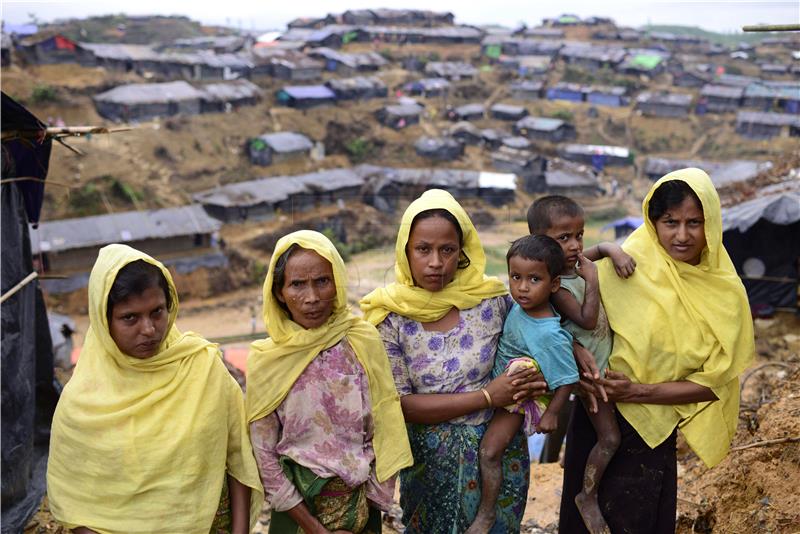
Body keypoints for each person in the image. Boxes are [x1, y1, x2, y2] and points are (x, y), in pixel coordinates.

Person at [559, 168, 755, 533]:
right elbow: (552, 304)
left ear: (710, 222)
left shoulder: (726, 293)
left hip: (652, 431)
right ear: (654, 221)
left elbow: (714, 383)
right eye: (670, 222)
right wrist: (575, 352)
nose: (682, 235)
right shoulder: (626, 262)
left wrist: (637, 390)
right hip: (596, 413)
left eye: (694, 222)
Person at [360, 189, 548, 533]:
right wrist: (488, 397)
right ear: (406, 251)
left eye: (447, 250)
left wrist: (536, 380)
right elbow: (400, 404)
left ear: (462, 251)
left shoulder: (493, 302)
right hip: (430, 465)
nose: (435, 261)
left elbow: (534, 346)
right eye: (423, 249)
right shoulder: (389, 319)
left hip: (498, 454)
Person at [47, 244, 263, 534]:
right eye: (130, 318)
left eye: (157, 312)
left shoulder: (201, 367)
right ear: (103, 320)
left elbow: (238, 459)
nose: (149, 329)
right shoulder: (81, 402)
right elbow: (72, 501)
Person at [247, 230, 413, 534]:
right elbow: (264, 454)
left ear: (337, 283)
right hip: (296, 511)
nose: (311, 298)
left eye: (322, 281)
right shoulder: (267, 361)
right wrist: (314, 527)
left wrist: (363, 510)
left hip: (362, 506)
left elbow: (387, 426)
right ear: (279, 292)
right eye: (297, 284)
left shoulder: (361, 340)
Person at [528, 195, 636, 533]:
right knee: (610, 439)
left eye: (579, 235)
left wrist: (614, 252)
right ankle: (586, 495)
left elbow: (602, 249)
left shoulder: (573, 263)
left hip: (604, 366)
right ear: (543, 244)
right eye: (564, 238)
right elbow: (588, 321)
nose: (575, 245)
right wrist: (594, 280)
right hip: (590, 377)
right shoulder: (557, 283)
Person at [466, 235, 579, 534]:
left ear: (553, 284)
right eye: (516, 277)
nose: (523, 287)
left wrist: (553, 413)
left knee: (489, 451)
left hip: (515, 398)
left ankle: (486, 513)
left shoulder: (548, 334)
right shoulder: (520, 307)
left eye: (534, 279)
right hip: (498, 386)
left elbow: (568, 378)